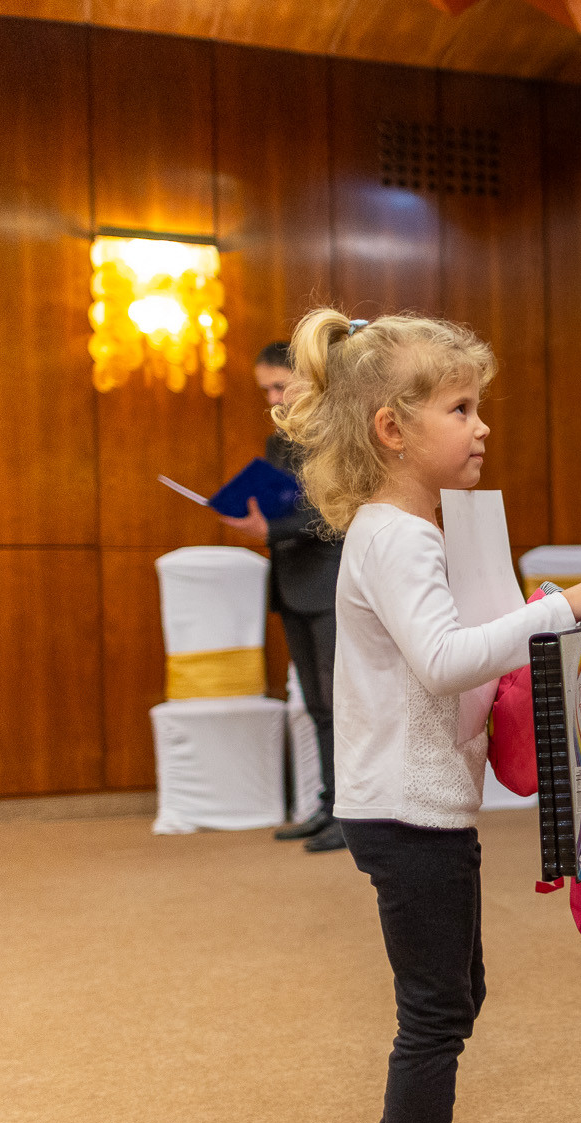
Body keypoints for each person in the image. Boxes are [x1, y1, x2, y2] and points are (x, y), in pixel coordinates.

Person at [275, 307, 581, 1123]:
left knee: (454, 992)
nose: (482, 427)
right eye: (461, 409)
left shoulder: (405, 529)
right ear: (391, 429)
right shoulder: (397, 538)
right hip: (407, 807)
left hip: (414, 801)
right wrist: (564, 607)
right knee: (435, 1009)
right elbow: (440, 659)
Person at [216, 341, 345, 853]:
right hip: (291, 581)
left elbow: (335, 512)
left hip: (331, 581)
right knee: (316, 704)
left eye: (279, 387)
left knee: (340, 703)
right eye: (265, 390)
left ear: (306, 379)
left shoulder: (336, 433)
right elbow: (283, 507)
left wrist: (267, 528)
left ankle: (351, 815)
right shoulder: (278, 441)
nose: (272, 399)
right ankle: (329, 804)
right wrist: (258, 519)